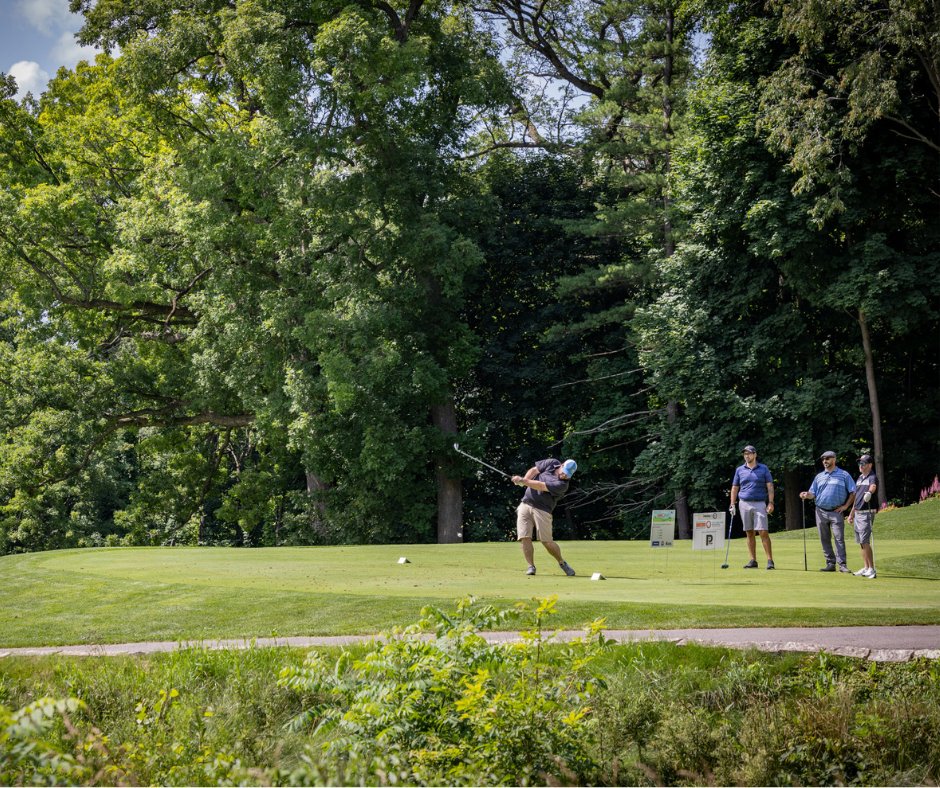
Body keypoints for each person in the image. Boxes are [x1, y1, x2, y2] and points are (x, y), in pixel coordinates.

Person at [512, 458, 577, 576]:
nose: (564, 476)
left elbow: (541, 486)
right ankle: (531, 566)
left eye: (568, 475)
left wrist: (522, 481)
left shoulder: (562, 485)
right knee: (524, 536)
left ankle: (562, 562)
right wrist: (524, 480)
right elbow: (534, 470)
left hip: (542, 510)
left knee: (546, 541)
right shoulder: (552, 463)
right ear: (561, 465)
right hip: (525, 504)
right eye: (564, 472)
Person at [800, 451, 856, 573]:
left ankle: (842, 565)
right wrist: (806, 495)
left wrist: (846, 506)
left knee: (839, 538)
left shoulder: (844, 475)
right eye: (823, 459)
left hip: (836, 511)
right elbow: (812, 494)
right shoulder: (819, 476)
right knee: (824, 538)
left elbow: (853, 492)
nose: (825, 461)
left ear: (834, 459)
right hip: (820, 511)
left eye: (828, 458)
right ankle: (830, 563)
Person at [729, 445, 776, 569]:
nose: (747, 456)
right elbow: (735, 488)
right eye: (745, 454)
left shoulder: (763, 468)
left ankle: (770, 560)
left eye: (749, 453)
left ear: (755, 455)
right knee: (749, 532)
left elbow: (770, 486)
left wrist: (771, 502)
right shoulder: (740, 470)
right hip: (744, 503)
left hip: (760, 503)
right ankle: (752, 560)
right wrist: (732, 504)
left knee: (763, 531)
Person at [847, 454, 878, 579]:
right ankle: (865, 567)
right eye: (860, 463)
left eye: (863, 463)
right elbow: (857, 498)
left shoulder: (872, 476)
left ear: (870, 465)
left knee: (865, 541)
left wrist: (869, 493)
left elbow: (873, 486)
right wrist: (851, 514)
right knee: (861, 542)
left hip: (867, 512)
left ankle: (871, 568)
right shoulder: (860, 478)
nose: (861, 465)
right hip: (858, 512)